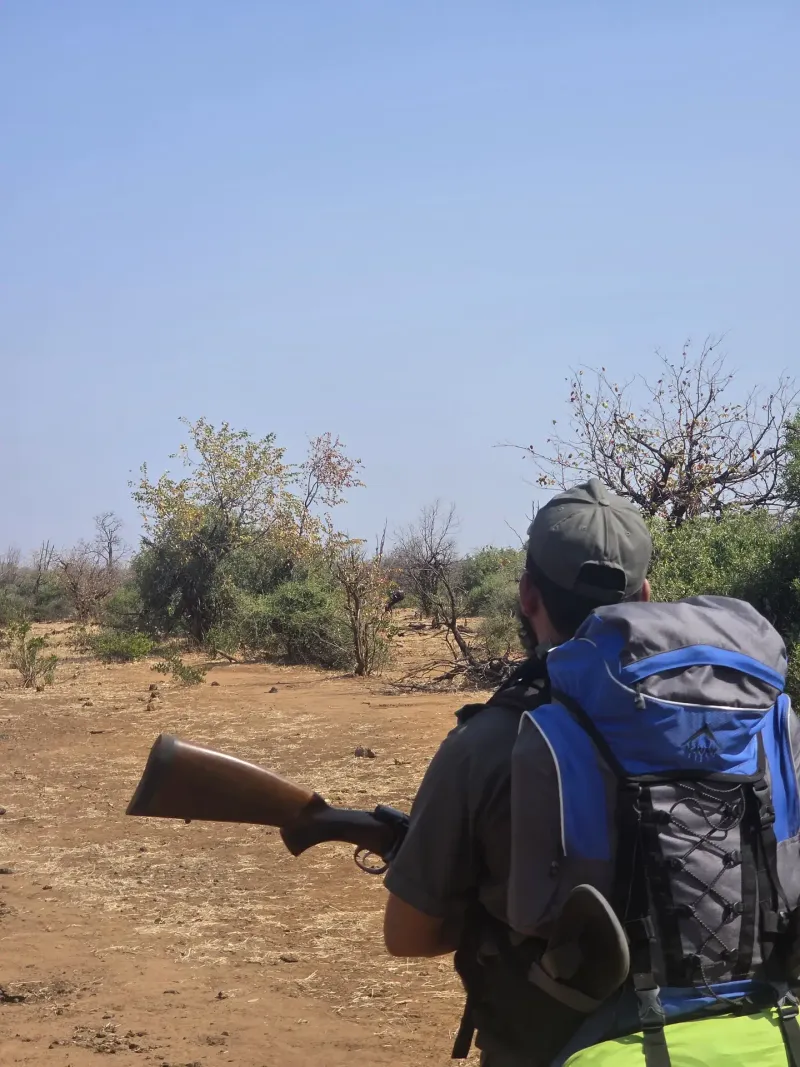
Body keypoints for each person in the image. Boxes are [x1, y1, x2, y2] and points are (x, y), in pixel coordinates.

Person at [382, 479, 654, 1067]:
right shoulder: (744, 726)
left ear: (528, 595)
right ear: (647, 597)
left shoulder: (486, 744)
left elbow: (407, 936)